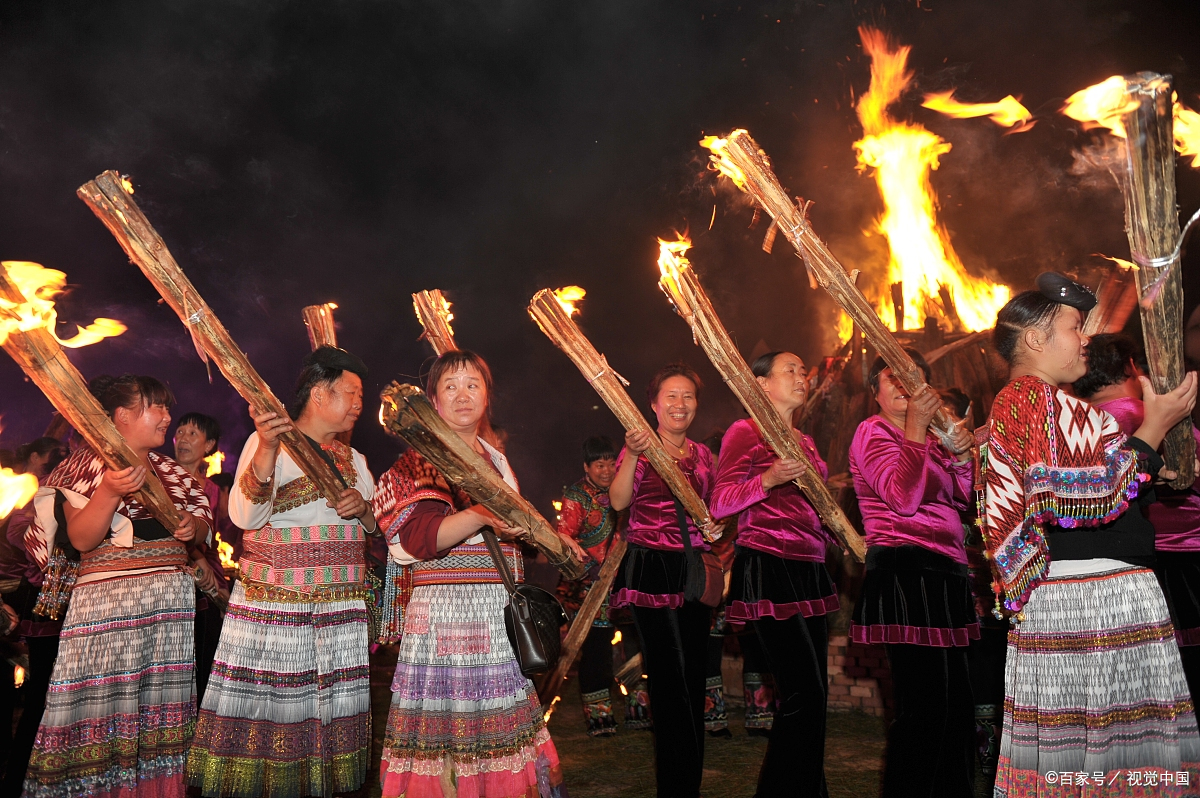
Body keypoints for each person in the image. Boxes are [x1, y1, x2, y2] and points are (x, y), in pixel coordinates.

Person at [980, 274, 1200, 793]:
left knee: (1092, 755)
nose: (1085, 339)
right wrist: (1153, 428)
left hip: (1084, 594)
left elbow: (1087, 492)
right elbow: (1077, 497)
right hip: (1089, 600)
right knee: (1108, 755)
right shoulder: (1032, 399)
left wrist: (1144, 473)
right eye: (1074, 327)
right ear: (1035, 339)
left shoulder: (1043, 404)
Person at [372, 350, 568, 798]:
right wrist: (481, 513)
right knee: (450, 726)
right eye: (451, 386)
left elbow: (511, 531)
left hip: (495, 612)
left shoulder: (495, 460)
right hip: (446, 616)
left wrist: (548, 539)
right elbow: (414, 541)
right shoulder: (419, 461)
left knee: (498, 723)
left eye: (473, 385)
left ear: (487, 396)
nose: (463, 395)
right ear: (434, 401)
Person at [187, 346, 378, 798]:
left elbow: (374, 527)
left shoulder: (355, 459)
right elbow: (245, 517)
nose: (359, 403)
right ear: (318, 392)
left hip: (339, 614)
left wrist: (364, 511)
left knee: (330, 715)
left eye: (360, 395)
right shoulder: (270, 443)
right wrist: (269, 448)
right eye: (351, 392)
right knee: (276, 715)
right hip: (279, 612)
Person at [22, 374, 210, 798]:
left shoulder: (172, 473)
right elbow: (82, 539)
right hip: (110, 614)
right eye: (155, 406)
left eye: (166, 406)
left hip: (168, 615)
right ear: (121, 415)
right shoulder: (85, 468)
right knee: (101, 708)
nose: (167, 416)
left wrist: (192, 527)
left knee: (155, 712)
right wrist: (108, 491)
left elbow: (201, 527)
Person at [848, 349, 978, 798]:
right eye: (894, 378)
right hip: (906, 571)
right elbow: (902, 499)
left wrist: (961, 457)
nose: (906, 386)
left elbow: (962, 499)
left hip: (948, 573)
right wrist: (918, 430)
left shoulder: (930, 438)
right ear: (875, 392)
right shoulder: (874, 431)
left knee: (957, 708)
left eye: (915, 378)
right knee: (923, 708)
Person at [711, 350, 838, 796]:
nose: (802, 377)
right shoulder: (745, 431)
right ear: (762, 384)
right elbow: (720, 502)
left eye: (803, 371)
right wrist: (767, 479)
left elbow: (816, 511)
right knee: (803, 692)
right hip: (769, 564)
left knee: (814, 695)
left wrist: (841, 536)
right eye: (790, 370)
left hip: (811, 570)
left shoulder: (805, 442)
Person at [609, 362, 724, 798]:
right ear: (654, 405)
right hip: (652, 568)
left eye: (688, 396)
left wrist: (716, 525)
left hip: (692, 570)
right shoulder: (640, 447)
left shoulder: (704, 456)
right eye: (671, 396)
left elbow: (713, 508)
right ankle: (674, 787)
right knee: (669, 679)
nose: (680, 404)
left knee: (693, 676)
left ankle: (687, 784)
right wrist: (632, 452)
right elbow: (619, 501)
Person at [1074, 334, 1200, 703]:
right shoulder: (1146, 414)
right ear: (1131, 366)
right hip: (1186, 552)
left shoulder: (1079, 425)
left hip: (1125, 561)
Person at [555, 434, 646, 737]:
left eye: (610, 464)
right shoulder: (577, 496)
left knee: (634, 647)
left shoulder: (628, 487)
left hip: (629, 584)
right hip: (591, 588)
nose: (606, 471)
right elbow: (564, 538)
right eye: (599, 465)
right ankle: (600, 718)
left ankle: (639, 709)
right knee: (597, 652)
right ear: (586, 467)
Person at [0, 436, 66, 798]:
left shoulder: (56, 491)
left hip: (59, 600)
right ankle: (17, 774)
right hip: (36, 599)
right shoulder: (28, 491)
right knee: (36, 689)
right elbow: (19, 534)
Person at [172, 411, 230, 702]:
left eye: (192, 434)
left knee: (206, 656)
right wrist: (198, 558)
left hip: (207, 581)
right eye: (180, 432)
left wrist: (220, 584)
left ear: (209, 445)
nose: (183, 438)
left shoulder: (213, 490)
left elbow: (212, 540)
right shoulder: (162, 478)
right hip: (172, 575)